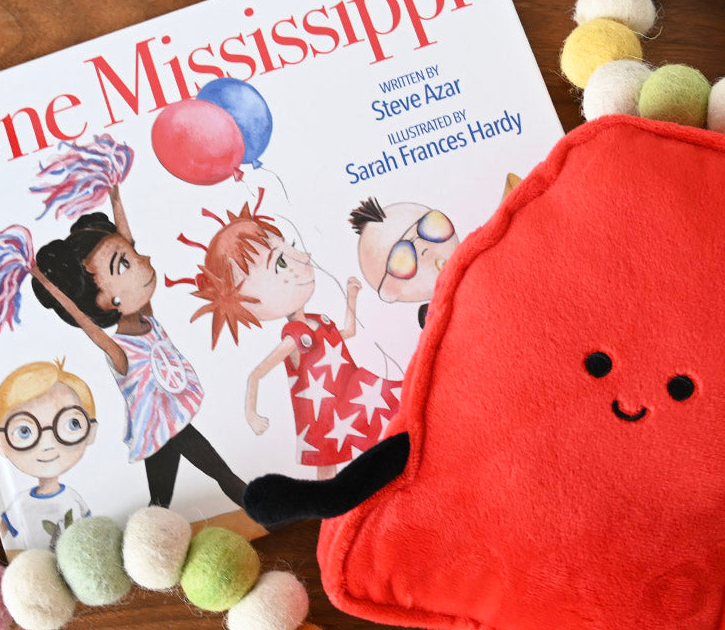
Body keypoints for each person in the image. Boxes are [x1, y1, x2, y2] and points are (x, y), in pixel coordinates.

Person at [30, 183, 246, 510]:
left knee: (160, 502)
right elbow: (86, 323)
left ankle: (149, 528)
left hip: (166, 429)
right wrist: (49, 284)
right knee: (222, 474)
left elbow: (127, 240)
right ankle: (267, 512)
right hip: (167, 427)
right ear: (107, 300)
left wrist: (116, 197)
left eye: (134, 255)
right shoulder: (121, 351)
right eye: (125, 264)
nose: (144, 260)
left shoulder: (147, 318)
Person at [181, 204, 400, 480]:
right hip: (325, 414)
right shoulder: (295, 336)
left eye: (291, 247)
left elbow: (348, 332)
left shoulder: (319, 320)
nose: (305, 257)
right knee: (329, 467)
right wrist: (252, 414)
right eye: (281, 262)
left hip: (354, 393)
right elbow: (257, 373)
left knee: (392, 418)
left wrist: (352, 297)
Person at [0, 360, 96, 551]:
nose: (47, 444)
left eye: (72, 423)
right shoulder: (22, 503)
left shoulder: (72, 498)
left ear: (91, 431)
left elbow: (90, 527)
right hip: (35, 562)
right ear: (0, 441)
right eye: (24, 431)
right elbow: (3, 530)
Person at [349, 197, 460, 328]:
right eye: (402, 258)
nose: (422, 247)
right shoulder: (440, 322)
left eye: (432, 225)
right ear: (390, 291)